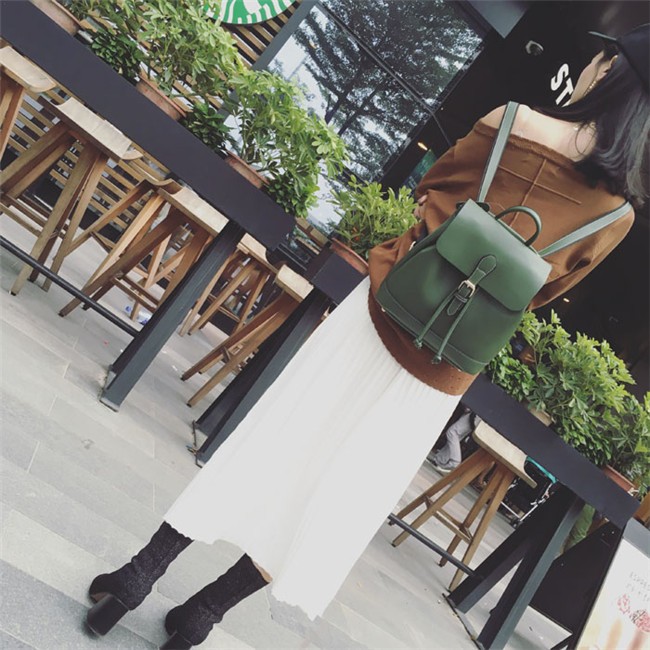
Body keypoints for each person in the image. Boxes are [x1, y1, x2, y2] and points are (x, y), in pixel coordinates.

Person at [85, 24, 649, 649]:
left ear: (607, 72)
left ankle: (139, 575)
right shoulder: (617, 215)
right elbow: (541, 291)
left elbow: (432, 188)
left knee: (273, 440)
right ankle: (202, 615)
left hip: (382, 311)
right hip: (441, 369)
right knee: (336, 493)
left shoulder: (511, 119)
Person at [430, 406, 481, 472]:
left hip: (477, 413)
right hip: (478, 414)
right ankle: (441, 459)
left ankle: (455, 462)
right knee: (456, 436)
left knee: (452, 432)